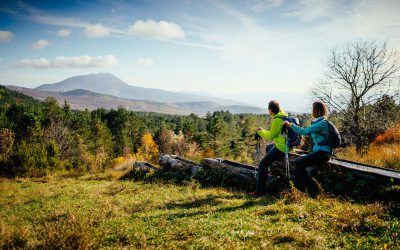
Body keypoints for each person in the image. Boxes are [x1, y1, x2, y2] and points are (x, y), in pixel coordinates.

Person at [283, 101, 332, 196]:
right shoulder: (319, 122)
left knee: (299, 163)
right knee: (298, 161)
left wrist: (290, 125)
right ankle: (307, 190)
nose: (311, 111)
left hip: (323, 153)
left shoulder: (321, 123)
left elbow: (305, 131)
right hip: (320, 152)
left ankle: (302, 191)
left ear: (317, 110)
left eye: (313, 109)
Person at [249, 100, 287, 196]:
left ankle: (259, 191)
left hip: (282, 147)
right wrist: (264, 130)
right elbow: (272, 133)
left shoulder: (277, 120)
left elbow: (270, 136)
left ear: (270, 110)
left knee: (262, 164)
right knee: (269, 147)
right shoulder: (283, 116)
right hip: (286, 144)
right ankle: (272, 171)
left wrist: (260, 132)